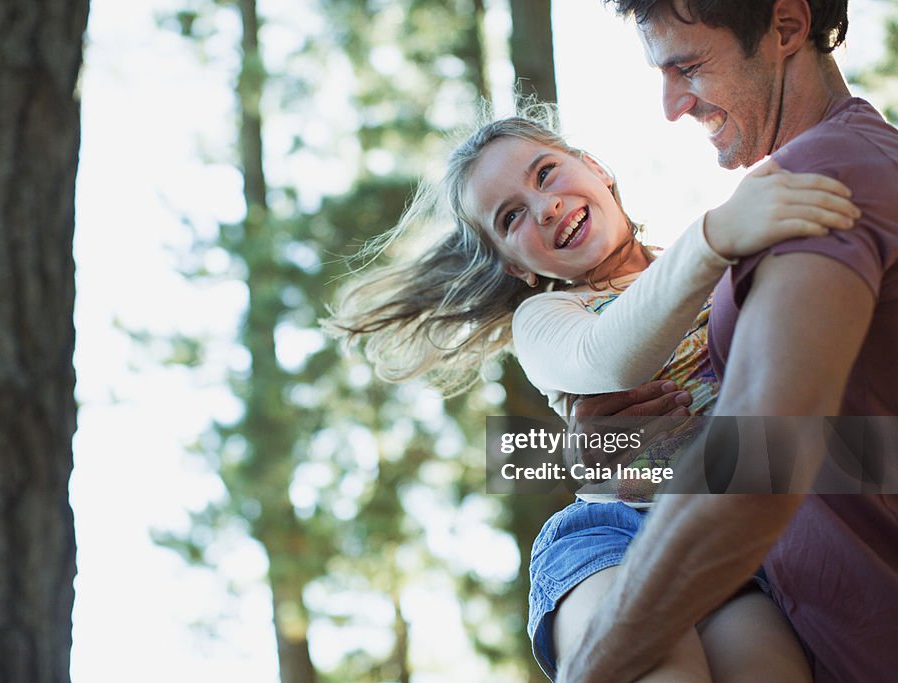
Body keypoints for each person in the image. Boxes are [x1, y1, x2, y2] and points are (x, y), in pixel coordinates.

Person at [323, 100, 859, 680]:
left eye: (546, 173)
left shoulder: (714, 266)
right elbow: (609, 358)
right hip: (614, 533)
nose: (545, 205)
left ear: (596, 168)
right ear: (516, 268)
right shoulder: (549, 316)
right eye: (511, 218)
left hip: (723, 544)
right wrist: (717, 237)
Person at [547, 1, 898, 681]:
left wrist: (591, 667)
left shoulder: (826, 173)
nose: (672, 105)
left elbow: (763, 456)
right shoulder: (824, 175)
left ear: (787, 28)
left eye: (688, 66)